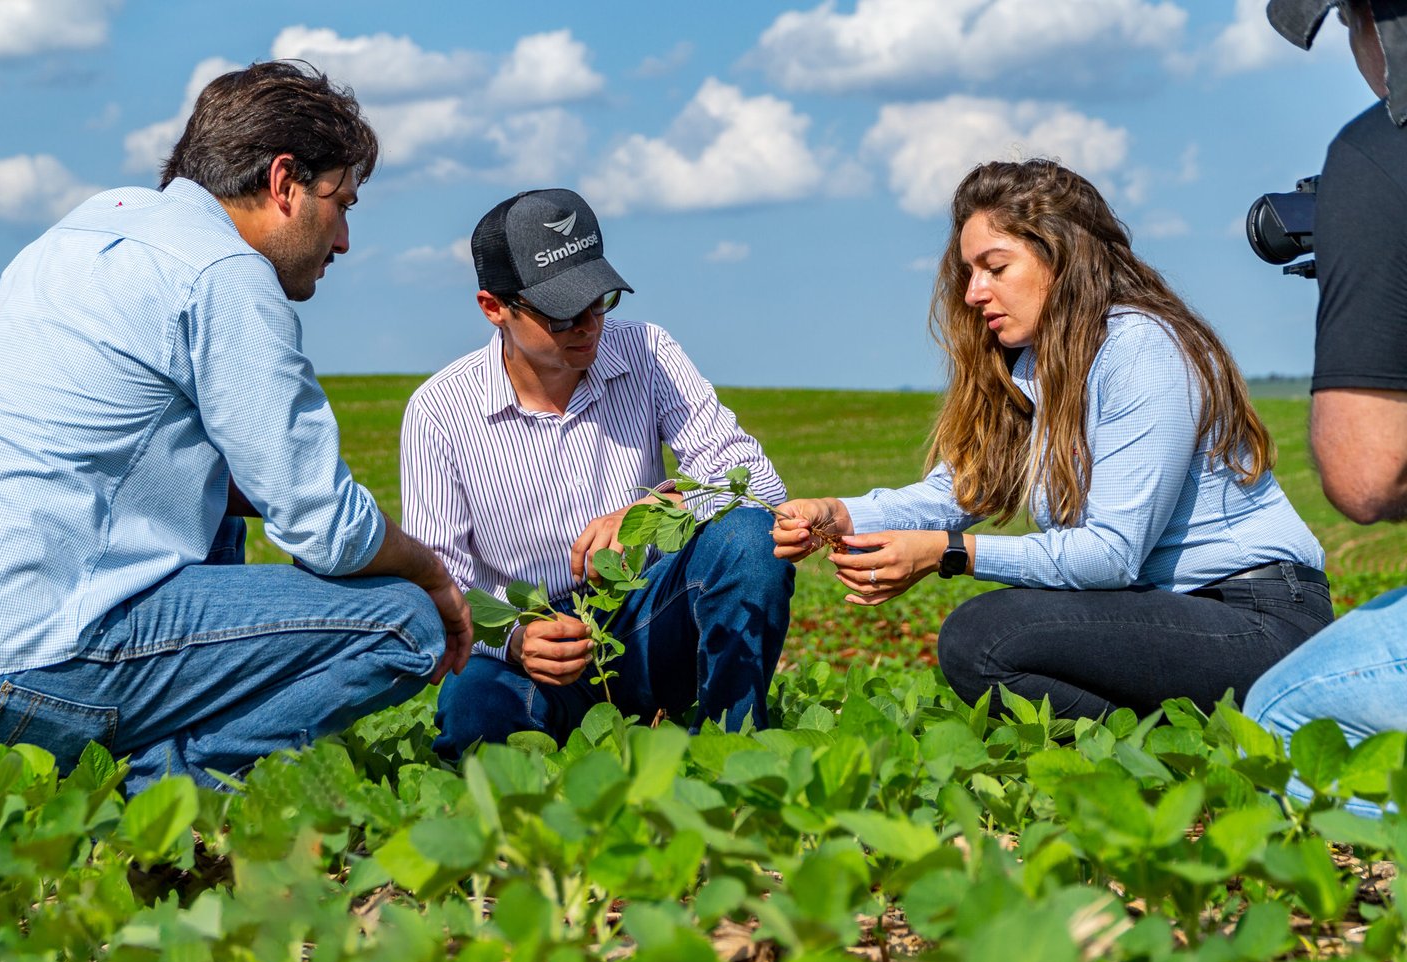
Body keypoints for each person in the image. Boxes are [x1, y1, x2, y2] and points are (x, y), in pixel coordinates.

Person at [0, 61, 471, 794]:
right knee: (403, 623)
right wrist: (433, 574)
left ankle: (141, 761)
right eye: (342, 202)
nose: (343, 240)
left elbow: (232, 479)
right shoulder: (224, 275)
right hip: (16, 669)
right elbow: (322, 526)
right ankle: (167, 790)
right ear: (283, 183)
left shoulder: (91, 227)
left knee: (215, 511)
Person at [771, 159, 1331, 720]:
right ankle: (1174, 749)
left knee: (983, 638)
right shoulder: (1035, 370)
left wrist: (948, 554)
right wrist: (841, 515)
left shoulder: (1142, 347)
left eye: (995, 267)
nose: (973, 293)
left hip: (1257, 619)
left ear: (1062, 259)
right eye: (969, 272)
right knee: (981, 642)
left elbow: (1111, 555)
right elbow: (959, 492)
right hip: (1165, 614)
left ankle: (1183, 747)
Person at [400, 188, 793, 758]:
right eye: (561, 312)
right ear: (494, 307)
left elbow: (759, 486)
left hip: (647, 616)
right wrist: (514, 641)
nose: (587, 324)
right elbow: (441, 586)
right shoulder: (440, 410)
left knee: (751, 541)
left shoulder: (649, 352)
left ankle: (734, 753)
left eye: (599, 299)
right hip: (533, 644)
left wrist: (659, 512)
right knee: (474, 715)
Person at [1244, 0, 1407, 814]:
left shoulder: (1378, 152)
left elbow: (1365, 474)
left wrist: (1362, 260)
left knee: (1279, 719)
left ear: (1377, 18)